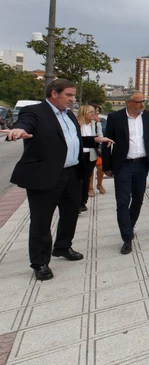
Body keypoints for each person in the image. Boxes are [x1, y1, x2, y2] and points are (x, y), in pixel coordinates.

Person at [0, 79, 113, 280]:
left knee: (70, 214)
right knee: (41, 221)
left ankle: (62, 247)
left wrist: (93, 140)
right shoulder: (34, 111)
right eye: (68, 95)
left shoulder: (68, 114)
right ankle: (40, 262)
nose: (72, 99)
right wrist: (18, 131)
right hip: (45, 175)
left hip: (71, 174)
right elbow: (24, 125)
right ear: (54, 93)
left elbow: (71, 140)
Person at [102, 91, 149, 255]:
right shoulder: (115, 117)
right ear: (129, 103)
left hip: (142, 163)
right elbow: (107, 143)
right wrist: (107, 166)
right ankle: (127, 238)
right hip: (123, 164)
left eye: (144, 101)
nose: (142, 104)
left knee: (138, 199)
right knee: (122, 201)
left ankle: (129, 224)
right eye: (139, 102)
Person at [77, 105, 103, 212]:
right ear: (83, 113)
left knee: (87, 177)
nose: (93, 114)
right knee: (79, 179)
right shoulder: (77, 124)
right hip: (79, 155)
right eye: (90, 112)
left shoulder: (96, 124)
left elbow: (100, 138)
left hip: (91, 155)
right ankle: (77, 202)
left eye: (94, 112)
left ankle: (83, 201)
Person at [90, 104, 106, 195]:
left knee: (100, 167)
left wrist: (98, 122)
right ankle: (90, 187)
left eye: (97, 111)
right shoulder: (84, 122)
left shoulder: (101, 121)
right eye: (94, 111)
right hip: (88, 147)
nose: (96, 113)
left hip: (98, 147)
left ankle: (99, 184)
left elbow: (104, 132)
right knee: (90, 168)